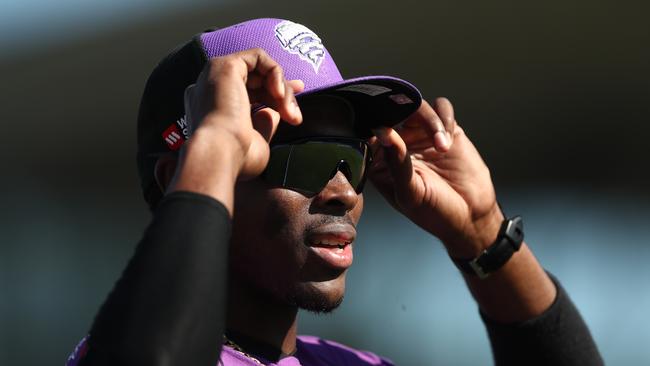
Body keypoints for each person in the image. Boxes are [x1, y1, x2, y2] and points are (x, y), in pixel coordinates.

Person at [67, 18, 603, 365]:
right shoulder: (122, 348)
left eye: (353, 156)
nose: (343, 192)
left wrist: (482, 231)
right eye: (310, 158)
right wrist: (212, 149)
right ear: (185, 172)